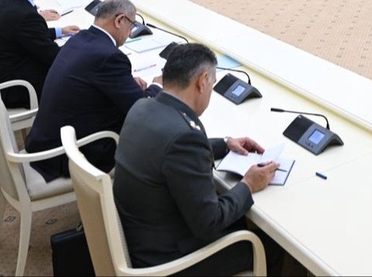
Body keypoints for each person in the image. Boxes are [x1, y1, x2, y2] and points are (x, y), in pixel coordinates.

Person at [115, 43, 281, 274]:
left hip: (144, 237)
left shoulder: (142, 107)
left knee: (238, 218)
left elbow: (166, 150)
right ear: (202, 81)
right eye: (212, 84)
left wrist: (224, 144)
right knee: (269, 245)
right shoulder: (184, 138)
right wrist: (248, 184)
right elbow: (210, 222)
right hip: (168, 261)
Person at [25, 0, 163, 181]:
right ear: (119, 20)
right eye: (131, 25)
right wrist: (157, 85)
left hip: (46, 141)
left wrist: (126, 83)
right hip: (69, 156)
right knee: (150, 130)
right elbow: (142, 109)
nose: (130, 33)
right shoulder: (110, 57)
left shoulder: (79, 38)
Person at [0, 0, 80, 110]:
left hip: (2, 78)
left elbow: (26, 35)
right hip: (20, 89)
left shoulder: (4, 3)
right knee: (80, 82)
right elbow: (54, 57)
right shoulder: (26, 16)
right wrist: (80, 44)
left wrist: (60, 31)